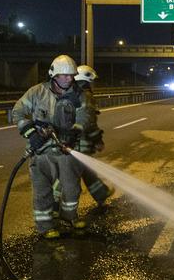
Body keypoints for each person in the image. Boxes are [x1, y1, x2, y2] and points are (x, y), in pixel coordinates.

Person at [11, 54, 89, 239]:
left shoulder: (78, 95)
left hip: (66, 152)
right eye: (65, 75)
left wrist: (74, 131)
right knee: (42, 191)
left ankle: (69, 216)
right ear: (54, 75)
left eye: (71, 75)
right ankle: (45, 227)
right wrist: (31, 133)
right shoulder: (37, 92)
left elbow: (83, 116)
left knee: (71, 189)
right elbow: (18, 111)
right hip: (41, 153)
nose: (69, 78)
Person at [69, 64, 113, 206]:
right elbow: (89, 123)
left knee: (85, 170)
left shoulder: (70, 94)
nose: (92, 85)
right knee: (69, 175)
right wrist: (98, 140)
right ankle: (56, 208)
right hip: (81, 144)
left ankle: (101, 193)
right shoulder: (86, 97)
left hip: (70, 142)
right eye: (90, 81)